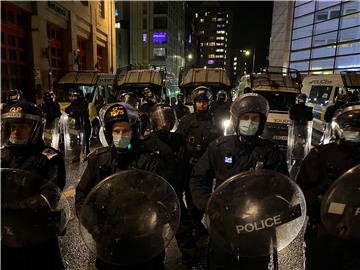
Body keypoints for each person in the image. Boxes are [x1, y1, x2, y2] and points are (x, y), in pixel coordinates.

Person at [190, 93, 288, 270]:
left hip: (256, 226)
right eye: (246, 117)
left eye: (254, 118)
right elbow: (198, 178)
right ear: (237, 119)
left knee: (255, 265)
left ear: (261, 122)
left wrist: (271, 211)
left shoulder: (271, 152)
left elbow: (283, 188)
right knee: (221, 264)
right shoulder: (219, 147)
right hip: (224, 222)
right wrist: (208, 207)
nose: (249, 122)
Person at [75, 103, 166, 270]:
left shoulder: (149, 160)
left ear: (134, 132)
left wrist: (150, 226)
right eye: (116, 131)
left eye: (126, 131)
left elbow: (161, 198)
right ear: (109, 133)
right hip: (108, 241)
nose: (121, 135)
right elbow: (82, 198)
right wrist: (96, 229)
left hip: (143, 241)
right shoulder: (98, 160)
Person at [1, 101, 66, 270]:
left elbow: (51, 193)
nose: (16, 131)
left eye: (22, 126)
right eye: (13, 126)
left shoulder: (49, 157)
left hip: (37, 234)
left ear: (36, 128)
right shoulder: (3, 155)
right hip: (7, 234)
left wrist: (18, 208)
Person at [297, 102, 360, 270]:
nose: (355, 133)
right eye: (351, 128)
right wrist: (322, 201)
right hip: (323, 236)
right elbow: (301, 194)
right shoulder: (320, 156)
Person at [144, 104, 200, 269]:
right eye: (160, 120)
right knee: (154, 231)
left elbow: (184, 162)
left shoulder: (178, 139)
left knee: (183, 229)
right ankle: (155, 262)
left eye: (167, 120)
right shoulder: (148, 142)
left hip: (173, 192)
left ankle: (191, 261)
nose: (164, 124)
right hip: (154, 194)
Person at [176, 86, 221, 254]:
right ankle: (194, 227)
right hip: (188, 166)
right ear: (194, 103)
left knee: (201, 198)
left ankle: (196, 224)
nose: (201, 105)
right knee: (189, 196)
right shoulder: (187, 120)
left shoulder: (215, 121)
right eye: (198, 102)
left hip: (206, 169)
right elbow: (179, 142)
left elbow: (219, 144)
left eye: (204, 102)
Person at [64, 88, 91, 160]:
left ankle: (86, 154)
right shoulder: (74, 103)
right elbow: (67, 109)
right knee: (74, 140)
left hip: (84, 124)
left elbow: (80, 110)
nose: (74, 97)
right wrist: (72, 111)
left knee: (85, 140)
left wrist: (73, 111)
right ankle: (76, 155)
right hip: (75, 124)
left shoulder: (84, 102)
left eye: (75, 95)